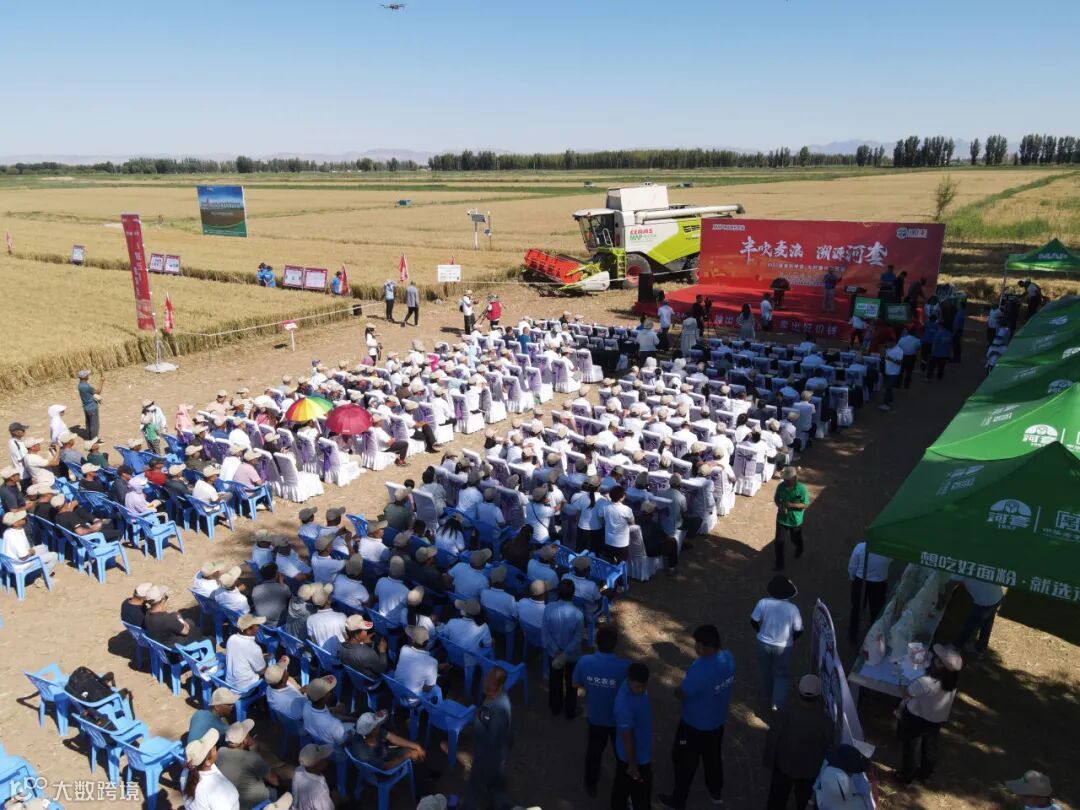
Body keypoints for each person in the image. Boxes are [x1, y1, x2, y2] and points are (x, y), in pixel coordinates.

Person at [659, 624, 735, 810]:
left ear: (702, 646)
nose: (695, 647)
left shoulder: (701, 669)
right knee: (713, 758)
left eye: (696, 644)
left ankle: (679, 800)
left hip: (693, 725)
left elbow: (683, 693)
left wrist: (676, 690)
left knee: (684, 761)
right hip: (717, 721)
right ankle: (715, 791)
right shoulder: (728, 657)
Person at [764, 674, 836, 810]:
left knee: (776, 800)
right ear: (818, 696)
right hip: (809, 771)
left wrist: (769, 760)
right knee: (804, 802)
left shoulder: (785, 712)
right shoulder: (825, 722)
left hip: (784, 766)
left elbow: (772, 738)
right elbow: (829, 747)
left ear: (799, 692)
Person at [573, 626, 630, 797]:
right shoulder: (625, 667)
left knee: (594, 752)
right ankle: (621, 788)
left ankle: (590, 784)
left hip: (595, 718)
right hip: (618, 720)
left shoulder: (584, 662)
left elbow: (575, 684)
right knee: (621, 754)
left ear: (597, 642)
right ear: (615, 644)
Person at [898, 644, 962, 784]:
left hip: (916, 718)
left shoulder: (925, 682)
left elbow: (907, 693)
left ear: (940, 665)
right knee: (930, 746)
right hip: (936, 719)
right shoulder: (951, 681)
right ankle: (925, 773)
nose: (933, 659)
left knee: (912, 748)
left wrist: (900, 682)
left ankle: (906, 777)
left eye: (937, 659)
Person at [462, 667, 513, 810]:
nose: (486, 688)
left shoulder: (501, 709)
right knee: (496, 784)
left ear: (499, 686)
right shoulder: (492, 696)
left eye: (489, 689)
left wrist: (477, 721)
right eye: (486, 681)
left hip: (490, 755)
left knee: (475, 786)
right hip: (490, 753)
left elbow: (492, 738)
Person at [751, 576, 803, 711]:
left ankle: (765, 695)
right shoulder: (793, 609)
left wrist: (759, 631)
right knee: (781, 675)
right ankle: (777, 705)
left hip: (763, 643)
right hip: (784, 646)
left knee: (765, 671)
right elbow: (799, 630)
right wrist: (792, 639)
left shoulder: (763, 603)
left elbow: (754, 620)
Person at [612, 662, 654, 810]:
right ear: (629, 680)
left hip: (640, 749)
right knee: (641, 792)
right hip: (634, 757)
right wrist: (633, 765)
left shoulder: (635, 685)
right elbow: (627, 738)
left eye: (644, 686)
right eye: (638, 687)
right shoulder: (624, 706)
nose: (642, 690)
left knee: (622, 785)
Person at [216, 719, 280, 810]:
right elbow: (275, 781)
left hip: (231, 802)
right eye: (248, 734)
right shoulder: (252, 758)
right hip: (253, 803)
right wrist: (255, 749)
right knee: (276, 791)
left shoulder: (220, 751)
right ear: (245, 740)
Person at [543, 579, 585, 719]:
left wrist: (556, 650)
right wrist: (565, 653)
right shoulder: (578, 614)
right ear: (573, 594)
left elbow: (546, 632)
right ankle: (570, 710)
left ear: (557, 593)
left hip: (554, 652)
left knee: (555, 680)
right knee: (572, 682)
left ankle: (555, 707)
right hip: (571, 655)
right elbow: (577, 639)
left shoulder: (548, 608)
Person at [181, 729, 240, 810]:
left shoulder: (186, 772)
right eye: (213, 748)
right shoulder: (219, 792)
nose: (215, 746)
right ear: (207, 762)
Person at [350, 710, 427, 771]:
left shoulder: (367, 732)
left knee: (416, 748)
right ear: (373, 731)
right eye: (377, 725)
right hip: (381, 771)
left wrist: (416, 746)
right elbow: (386, 766)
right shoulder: (365, 754)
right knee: (417, 756)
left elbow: (393, 738)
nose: (379, 725)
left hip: (384, 753)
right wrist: (408, 755)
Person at [847, 540, 891, 644]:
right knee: (877, 611)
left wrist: (853, 579)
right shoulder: (888, 550)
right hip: (879, 584)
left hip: (861, 582)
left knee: (857, 609)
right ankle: (875, 636)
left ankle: (853, 634)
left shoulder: (860, 547)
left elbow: (852, 567)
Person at [952, 576, 1005, 654]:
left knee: (970, 625)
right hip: (997, 596)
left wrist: (943, 595)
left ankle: (956, 647)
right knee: (987, 624)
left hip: (985, 602)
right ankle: (980, 648)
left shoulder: (962, 570)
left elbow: (952, 582)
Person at [2, 510, 60, 577]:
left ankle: (43, 568)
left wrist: (30, 551)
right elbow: (23, 557)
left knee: (43, 548)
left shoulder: (8, 531)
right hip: (21, 564)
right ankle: (44, 576)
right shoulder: (16, 537)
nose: (25, 518)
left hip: (11, 561)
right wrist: (32, 552)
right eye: (23, 518)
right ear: (15, 523)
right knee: (54, 555)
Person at [773, 466, 809, 570]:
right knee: (779, 542)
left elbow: (805, 505)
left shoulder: (801, 489)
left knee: (795, 538)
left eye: (787, 479)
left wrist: (792, 505)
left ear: (794, 478)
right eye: (784, 479)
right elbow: (776, 499)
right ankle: (779, 564)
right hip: (782, 519)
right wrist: (780, 506)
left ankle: (799, 548)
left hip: (795, 520)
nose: (785, 481)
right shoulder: (781, 486)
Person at [225, 614, 268, 691]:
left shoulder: (231, 638)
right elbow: (262, 671)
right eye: (257, 625)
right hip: (245, 689)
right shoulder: (254, 648)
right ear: (248, 630)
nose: (259, 627)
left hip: (229, 684)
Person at [337, 614, 388, 679]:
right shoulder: (367, 653)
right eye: (365, 630)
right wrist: (382, 651)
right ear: (356, 635)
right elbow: (382, 670)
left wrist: (362, 642)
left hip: (355, 678)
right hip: (371, 681)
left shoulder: (340, 647)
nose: (367, 632)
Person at [292, 743, 336, 810]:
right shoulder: (320, 792)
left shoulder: (298, 770)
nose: (327, 758)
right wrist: (338, 801)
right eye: (324, 757)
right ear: (318, 764)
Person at [602, 485, 635, 563]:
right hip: (622, 543)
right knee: (622, 564)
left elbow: (600, 515)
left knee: (609, 563)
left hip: (609, 541)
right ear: (622, 497)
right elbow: (632, 523)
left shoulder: (605, 507)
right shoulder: (627, 509)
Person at [77, 369, 103, 439]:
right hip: (92, 408)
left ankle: (89, 438)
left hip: (86, 407)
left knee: (88, 424)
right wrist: (101, 382)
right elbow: (98, 392)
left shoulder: (80, 385)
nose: (88, 376)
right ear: (84, 377)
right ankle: (94, 440)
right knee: (94, 425)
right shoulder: (86, 387)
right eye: (87, 375)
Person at [880, 337, 904, 411]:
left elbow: (900, 362)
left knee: (888, 388)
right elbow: (884, 356)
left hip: (893, 373)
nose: (886, 344)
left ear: (893, 343)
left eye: (887, 343)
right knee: (889, 388)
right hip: (888, 371)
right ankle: (890, 400)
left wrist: (891, 359)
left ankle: (886, 404)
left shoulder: (899, 351)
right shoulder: (888, 349)